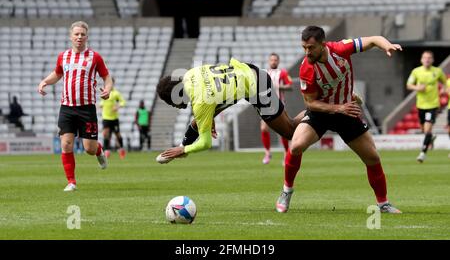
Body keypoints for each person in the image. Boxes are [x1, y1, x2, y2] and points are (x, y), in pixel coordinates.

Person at [275, 26, 403, 214]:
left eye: (310, 47)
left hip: (346, 112)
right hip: (321, 113)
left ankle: (383, 204)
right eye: (304, 47)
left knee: (372, 157)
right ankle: (286, 191)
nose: (307, 52)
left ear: (322, 44)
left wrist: (387, 45)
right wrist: (337, 107)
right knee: (296, 146)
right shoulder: (306, 69)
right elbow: (310, 103)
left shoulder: (341, 49)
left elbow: (374, 38)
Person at [155, 58, 306, 164]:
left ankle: (317, 112)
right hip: (247, 70)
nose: (174, 106)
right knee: (200, 120)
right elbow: (215, 85)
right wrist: (212, 113)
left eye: (171, 103)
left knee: (290, 130)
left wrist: (184, 150)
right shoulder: (190, 74)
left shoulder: (200, 102)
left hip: (257, 87)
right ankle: (317, 111)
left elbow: (205, 143)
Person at [38, 21, 112, 192]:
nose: (79, 37)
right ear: (71, 37)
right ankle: (71, 182)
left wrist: (107, 89)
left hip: (87, 109)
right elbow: (57, 74)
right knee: (66, 144)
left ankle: (99, 150)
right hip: (67, 108)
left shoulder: (95, 57)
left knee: (89, 148)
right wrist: (44, 82)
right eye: (76, 34)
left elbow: (106, 77)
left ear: (87, 36)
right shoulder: (63, 56)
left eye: (82, 34)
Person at [406, 51, 447, 163]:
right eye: (425, 58)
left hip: (433, 105)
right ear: (421, 60)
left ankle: (422, 153)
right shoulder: (416, 71)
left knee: (428, 128)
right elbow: (409, 85)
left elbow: (444, 82)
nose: (427, 60)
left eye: (429, 58)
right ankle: (430, 138)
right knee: (424, 130)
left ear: (432, 60)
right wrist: (417, 88)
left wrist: (443, 88)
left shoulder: (437, 71)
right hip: (421, 105)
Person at [261, 53, 293, 165]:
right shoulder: (265, 73)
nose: (273, 62)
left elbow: (290, 85)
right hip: (266, 105)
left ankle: (286, 154)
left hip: (279, 105)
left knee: (283, 131)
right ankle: (267, 153)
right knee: (264, 128)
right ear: (269, 61)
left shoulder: (282, 73)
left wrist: (279, 87)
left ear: (278, 61)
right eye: (271, 60)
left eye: (275, 60)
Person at [100, 77, 127, 159]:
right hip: (106, 117)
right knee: (105, 134)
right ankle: (107, 151)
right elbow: (103, 101)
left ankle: (121, 150)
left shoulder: (116, 94)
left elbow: (123, 102)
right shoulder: (104, 92)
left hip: (114, 118)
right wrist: (100, 105)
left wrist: (118, 106)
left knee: (117, 135)